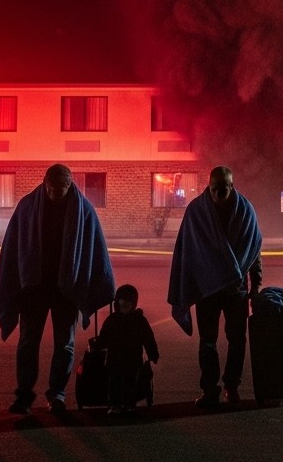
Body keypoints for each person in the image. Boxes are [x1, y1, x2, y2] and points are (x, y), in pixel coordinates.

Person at [0, 164, 116, 414]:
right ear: (44, 183)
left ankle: (56, 394)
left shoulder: (84, 211)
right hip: (35, 288)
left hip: (66, 289)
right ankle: (24, 397)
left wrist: (96, 285)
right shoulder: (28, 206)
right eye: (51, 190)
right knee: (28, 343)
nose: (55, 195)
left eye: (61, 190)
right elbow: (12, 249)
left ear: (69, 185)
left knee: (65, 344)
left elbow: (95, 250)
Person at [168, 166, 263, 408]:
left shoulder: (245, 212)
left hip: (236, 289)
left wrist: (257, 285)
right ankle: (210, 389)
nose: (218, 194)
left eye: (224, 189)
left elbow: (254, 251)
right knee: (207, 341)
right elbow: (186, 251)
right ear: (208, 187)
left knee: (237, 339)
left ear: (232, 186)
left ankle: (232, 385)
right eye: (214, 189)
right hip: (207, 290)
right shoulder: (197, 211)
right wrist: (186, 285)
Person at [94, 284, 159, 414]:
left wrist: (153, 353)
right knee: (115, 384)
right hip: (117, 360)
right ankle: (115, 405)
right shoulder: (114, 320)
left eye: (128, 302)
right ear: (117, 303)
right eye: (123, 302)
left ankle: (128, 404)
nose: (125, 305)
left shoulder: (137, 320)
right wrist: (97, 345)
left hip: (131, 360)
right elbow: (104, 337)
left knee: (129, 384)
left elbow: (148, 339)